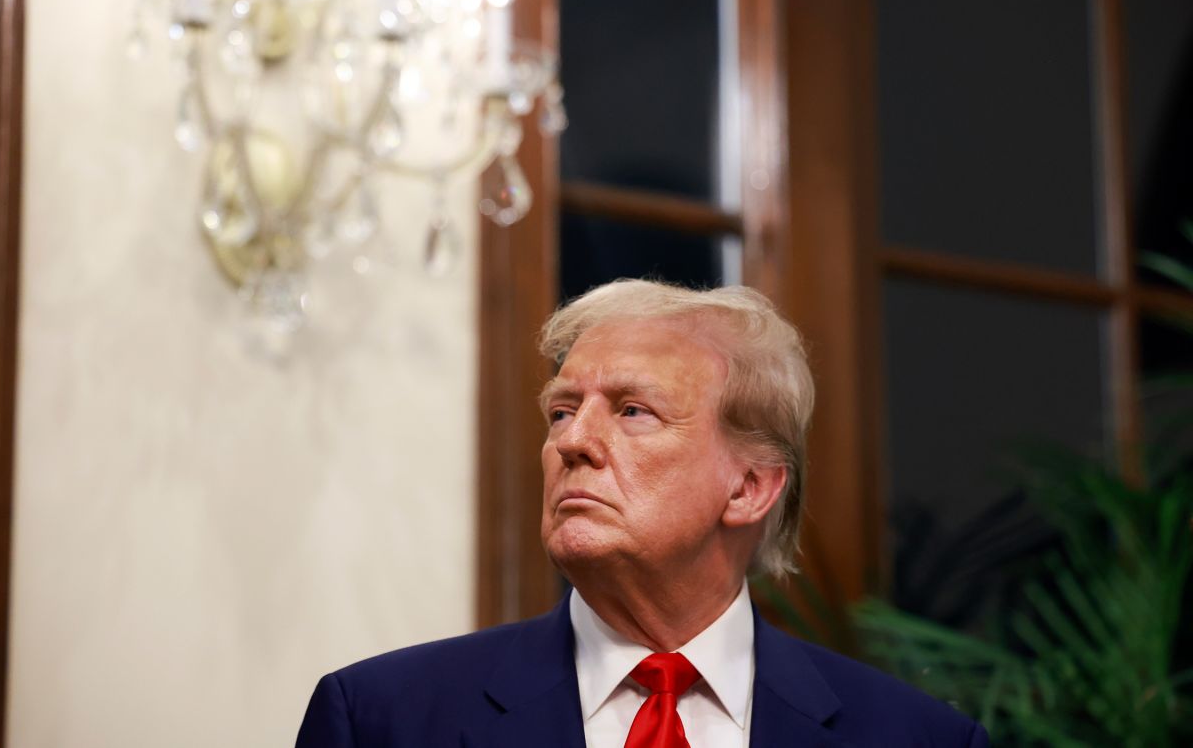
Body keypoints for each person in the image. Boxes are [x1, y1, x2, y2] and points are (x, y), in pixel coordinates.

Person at [295, 280, 989, 747]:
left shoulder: (917, 738)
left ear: (749, 486)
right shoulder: (381, 719)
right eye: (562, 411)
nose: (571, 441)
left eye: (633, 411)